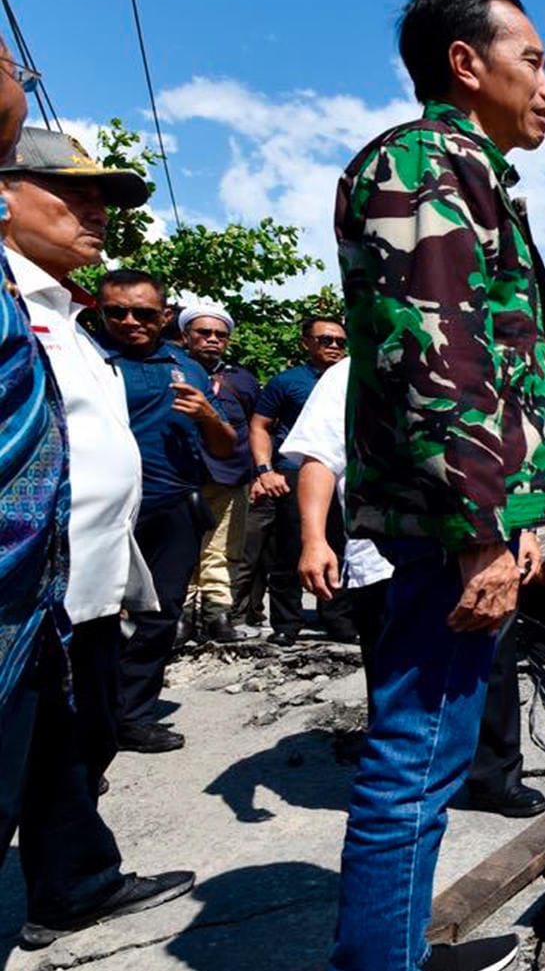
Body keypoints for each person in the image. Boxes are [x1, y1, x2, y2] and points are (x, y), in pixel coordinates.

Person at [330, 0, 545, 971]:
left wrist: (520, 516)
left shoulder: (463, 171)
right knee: (417, 758)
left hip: (461, 516)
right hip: (445, 527)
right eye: (534, 61)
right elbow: (434, 358)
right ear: (467, 65)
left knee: (429, 753)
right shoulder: (425, 162)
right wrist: (480, 532)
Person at [0, 121, 195, 947]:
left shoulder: (60, 312)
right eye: (71, 193)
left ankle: (77, 882)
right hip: (21, 596)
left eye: (100, 196)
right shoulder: (11, 308)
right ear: (2, 198)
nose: (95, 211)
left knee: (64, 750)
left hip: (77, 590)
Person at [286, 357, 545, 818]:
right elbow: (319, 458)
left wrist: (525, 531)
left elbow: (510, 461)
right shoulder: (350, 372)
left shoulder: (478, 365)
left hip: (486, 553)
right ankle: (406, 801)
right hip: (392, 557)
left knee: (494, 670)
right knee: (401, 684)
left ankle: (495, 779)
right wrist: (313, 539)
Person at [95, 268, 238, 752]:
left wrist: (208, 415)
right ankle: (84, 735)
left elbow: (224, 447)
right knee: (91, 621)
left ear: (167, 316)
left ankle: (132, 717)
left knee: (160, 616)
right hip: (101, 512)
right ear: (100, 311)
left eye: (144, 312)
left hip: (172, 507)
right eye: (117, 311)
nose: (130, 321)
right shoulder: (89, 360)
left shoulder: (189, 368)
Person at [249, 315, 353, 645]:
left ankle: (337, 619)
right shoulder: (287, 382)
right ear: (306, 342)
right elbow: (259, 426)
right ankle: (286, 623)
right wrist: (265, 471)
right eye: (325, 340)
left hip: (341, 474)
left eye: (339, 341)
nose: (334, 346)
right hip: (294, 473)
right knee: (292, 548)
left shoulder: (354, 377)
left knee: (339, 544)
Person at [178, 303, 259, 643]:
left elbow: (256, 427)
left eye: (220, 335)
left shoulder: (242, 379)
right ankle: (180, 618)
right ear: (186, 336)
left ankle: (218, 616)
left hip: (230, 476)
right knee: (182, 549)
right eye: (204, 333)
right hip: (182, 476)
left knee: (222, 549)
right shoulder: (172, 369)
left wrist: (258, 473)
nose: (212, 340)